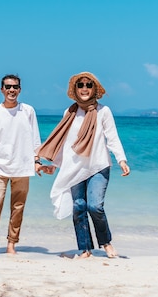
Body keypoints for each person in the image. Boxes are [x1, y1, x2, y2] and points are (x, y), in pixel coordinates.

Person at [37, 71, 130, 259]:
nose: (85, 88)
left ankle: (106, 243)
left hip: (98, 166)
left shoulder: (103, 111)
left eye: (89, 85)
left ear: (94, 88)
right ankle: (85, 249)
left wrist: (121, 159)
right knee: (78, 206)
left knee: (95, 206)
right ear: (75, 89)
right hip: (75, 168)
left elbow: (112, 137)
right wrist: (53, 165)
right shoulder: (69, 112)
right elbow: (65, 143)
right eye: (81, 85)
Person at [0, 74, 54, 256]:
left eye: (14, 87)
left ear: (20, 90)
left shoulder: (28, 111)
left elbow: (35, 140)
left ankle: (11, 244)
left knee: (18, 207)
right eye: (8, 87)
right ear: (2, 90)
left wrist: (37, 162)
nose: (11, 90)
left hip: (22, 167)